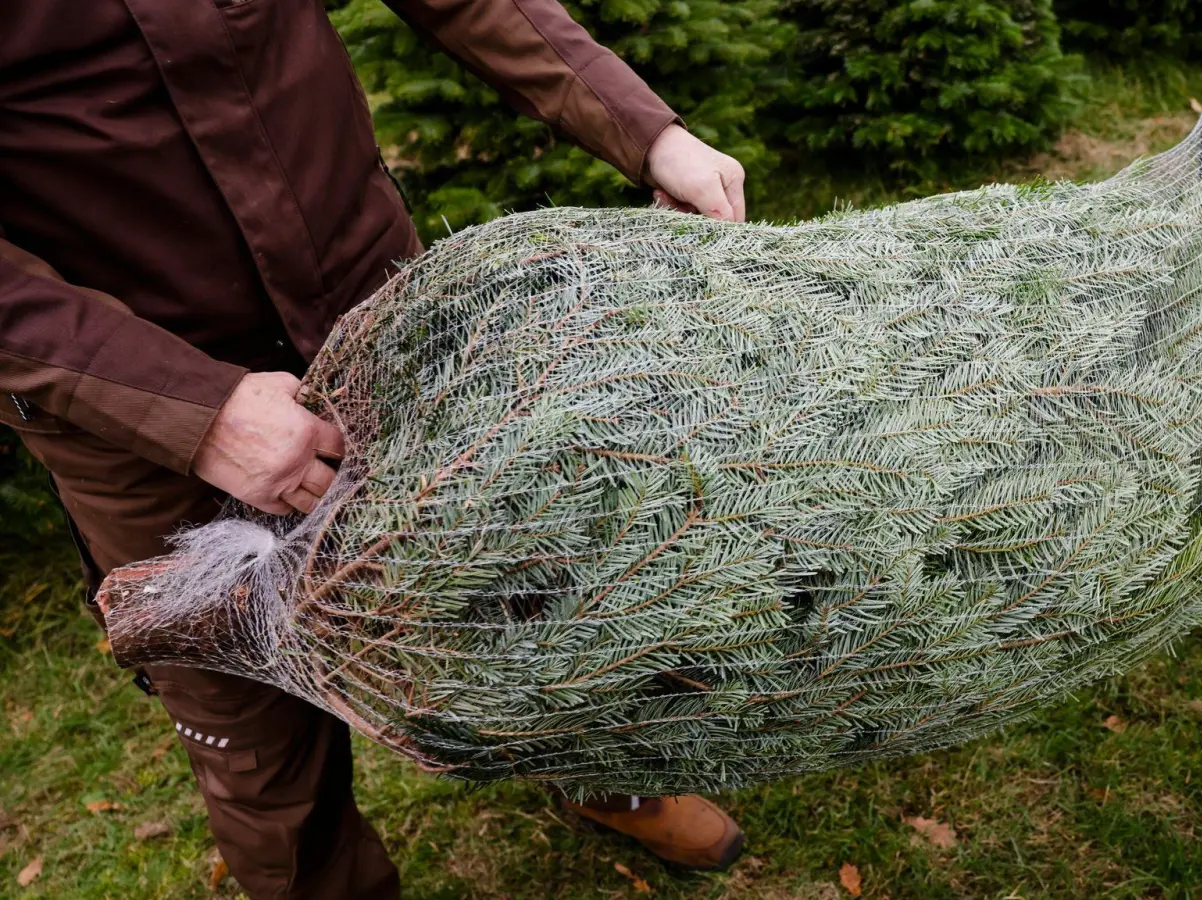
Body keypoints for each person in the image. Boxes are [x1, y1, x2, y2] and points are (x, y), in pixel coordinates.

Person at [0, 1, 748, 896]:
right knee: (255, 730)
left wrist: (646, 131)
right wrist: (192, 411)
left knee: (518, 576)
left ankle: (607, 781)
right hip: (133, 405)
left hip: (378, 306)